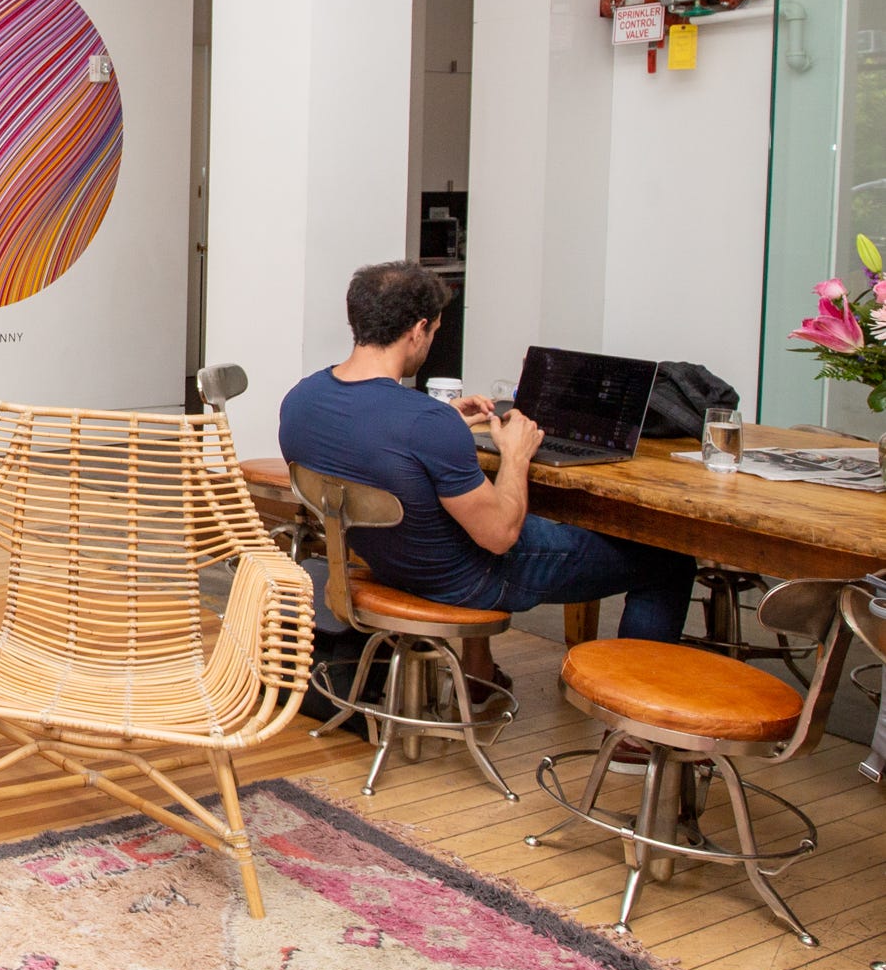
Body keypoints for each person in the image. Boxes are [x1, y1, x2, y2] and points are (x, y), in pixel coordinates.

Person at [278, 259, 696, 695]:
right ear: (419, 329)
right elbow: (500, 536)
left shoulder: (302, 399)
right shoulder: (424, 423)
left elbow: (374, 446)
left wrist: (440, 427)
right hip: (469, 580)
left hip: (385, 563)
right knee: (667, 561)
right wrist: (515, 455)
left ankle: (478, 680)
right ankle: (634, 722)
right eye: (435, 332)